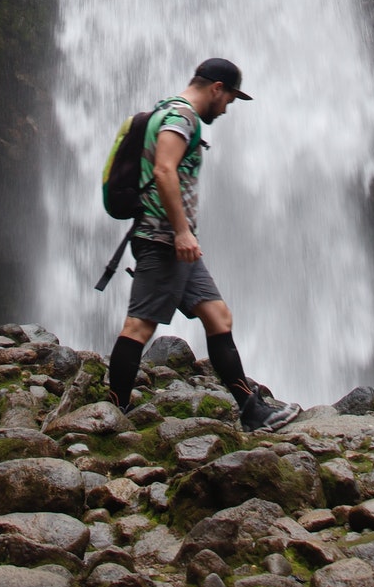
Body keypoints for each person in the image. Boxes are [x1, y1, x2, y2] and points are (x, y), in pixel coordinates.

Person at [106, 58, 301, 433]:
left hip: (176, 244)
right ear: (216, 88)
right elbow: (164, 170)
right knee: (138, 327)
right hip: (165, 240)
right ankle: (115, 411)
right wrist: (181, 231)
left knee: (218, 316)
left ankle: (251, 409)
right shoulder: (182, 118)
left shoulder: (166, 109)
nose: (227, 108)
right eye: (228, 99)